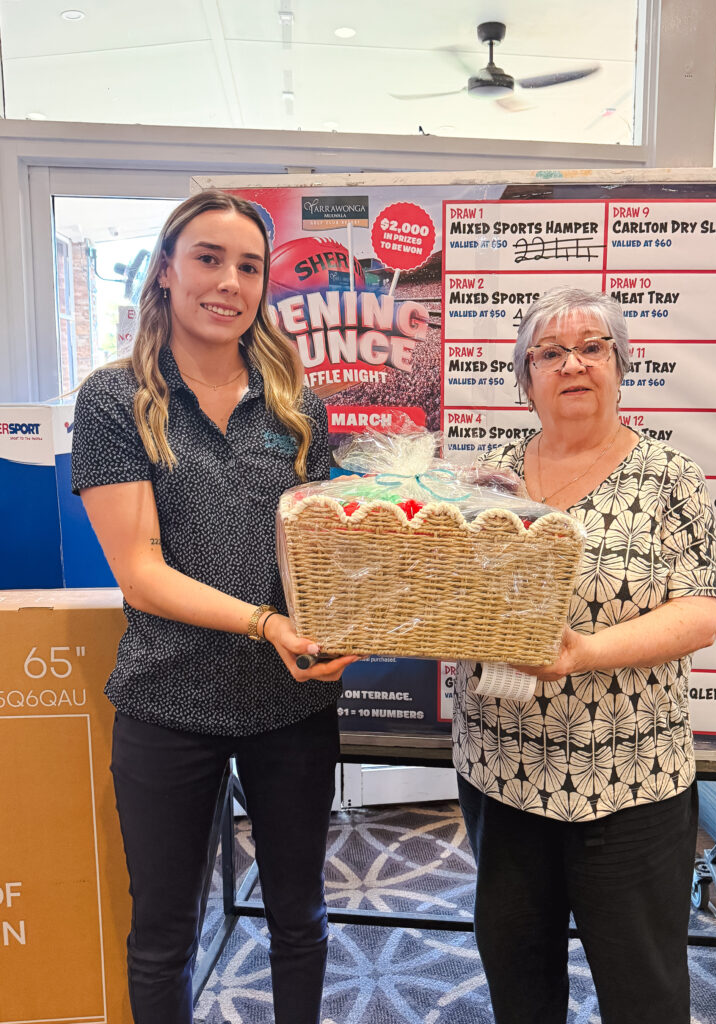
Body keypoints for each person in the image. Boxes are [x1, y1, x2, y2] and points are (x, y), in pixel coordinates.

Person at [71, 189, 357, 1024]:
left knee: (299, 916)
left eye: (248, 267)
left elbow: (320, 553)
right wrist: (264, 622)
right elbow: (140, 573)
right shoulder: (116, 399)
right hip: (167, 701)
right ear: (165, 270)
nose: (229, 282)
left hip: (290, 703)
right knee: (165, 934)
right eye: (208, 258)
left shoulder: (298, 408)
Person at [452, 287, 716, 1024]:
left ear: (620, 365)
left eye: (591, 347)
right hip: (504, 770)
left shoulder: (670, 476)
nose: (572, 364)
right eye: (549, 353)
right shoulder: (487, 480)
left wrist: (585, 653)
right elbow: (451, 597)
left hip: (630, 779)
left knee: (643, 990)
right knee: (518, 978)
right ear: (525, 378)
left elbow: (700, 613)